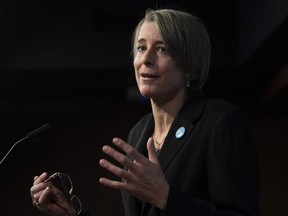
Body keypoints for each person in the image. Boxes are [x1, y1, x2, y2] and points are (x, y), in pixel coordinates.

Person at [30, 8, 259, 216]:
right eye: (141, 48)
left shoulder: (221, 121)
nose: (146, 59)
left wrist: (167, 198)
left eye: (162, 49)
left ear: (189, 65)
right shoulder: (139, 132)